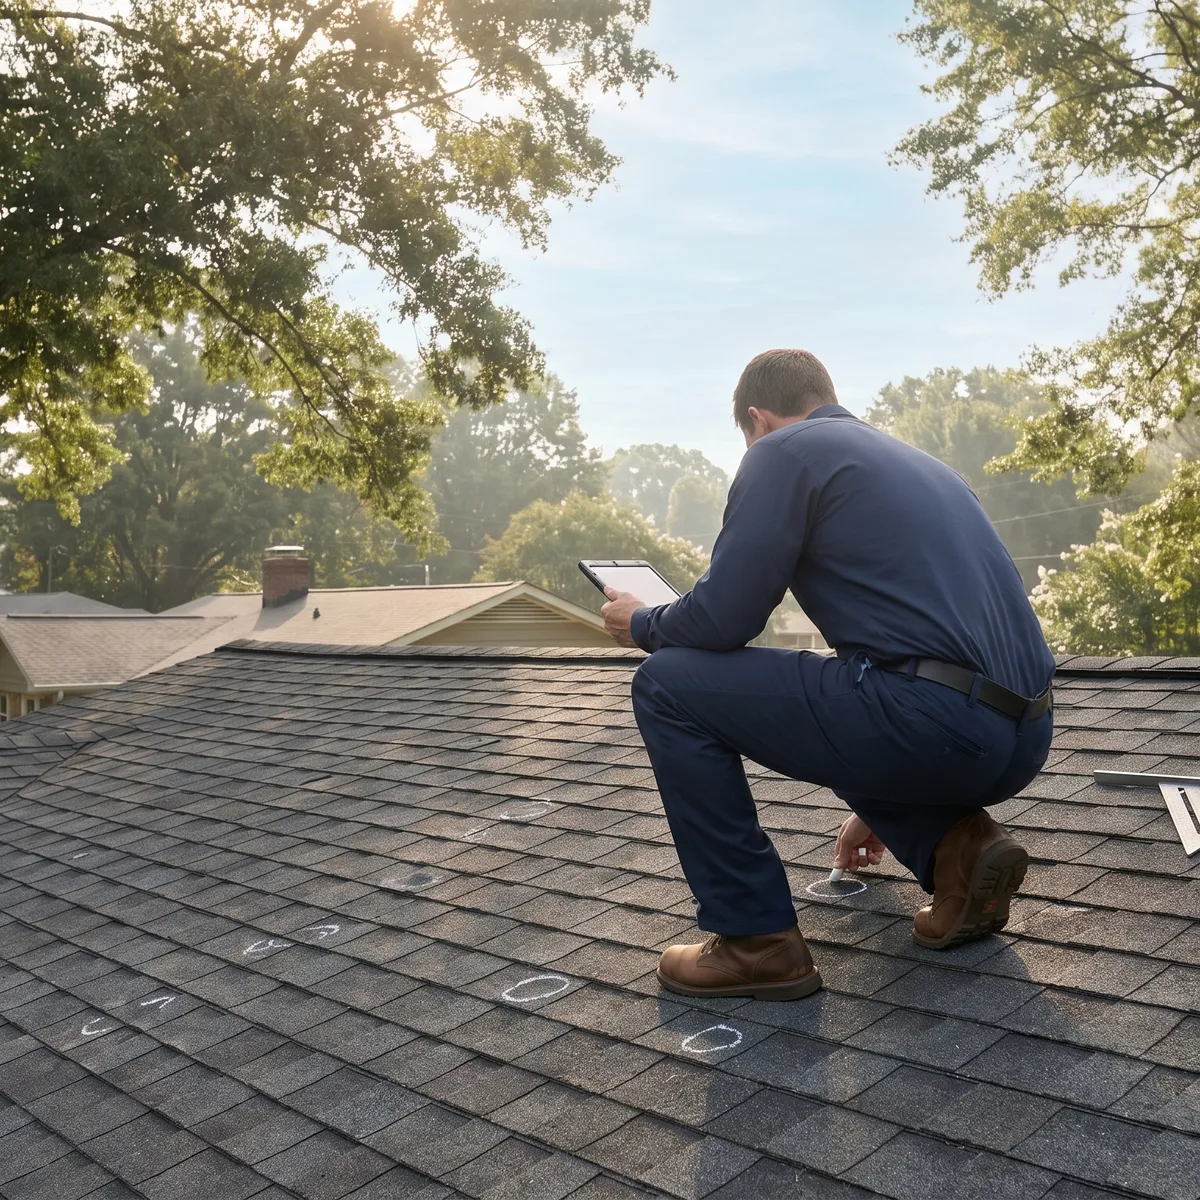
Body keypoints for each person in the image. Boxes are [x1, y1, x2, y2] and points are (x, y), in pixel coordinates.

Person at [600, 349, 1054, 1002]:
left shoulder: (780, 452)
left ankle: (754, 939)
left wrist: (642, 622)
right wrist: (884, 790)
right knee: (842, 684)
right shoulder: (922, 464)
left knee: (666, 683)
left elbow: (726, 618)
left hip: (934, 725)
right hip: (1024, 733)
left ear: (758, 419)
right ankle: (956, 848)